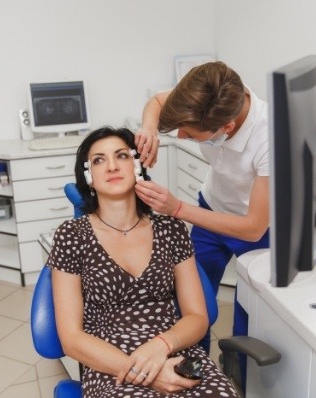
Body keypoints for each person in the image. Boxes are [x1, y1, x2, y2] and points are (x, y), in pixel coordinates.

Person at [47, 126, 238, 397]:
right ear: (89, 177)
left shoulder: (170, 229)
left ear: (137, 165)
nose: (112, 166)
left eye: (122, 156)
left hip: (173, 350)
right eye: (99, 160)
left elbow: (197, 316)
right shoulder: (71, 235)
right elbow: (72, 339)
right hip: (110, 362)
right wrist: (145, 373)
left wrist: (161, 345)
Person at [134, 61, 270, 390]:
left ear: (226, 126)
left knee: (247, 315)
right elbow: (155, 102)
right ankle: (192, 371)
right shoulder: (211, 93)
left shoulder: (269, 139)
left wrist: (177, 208)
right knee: (191, 297)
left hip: (255, 229)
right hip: (212, 207)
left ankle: (239, 377)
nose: (180, 137)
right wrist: (150, 128)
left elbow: (253, 228)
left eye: (190, 135)